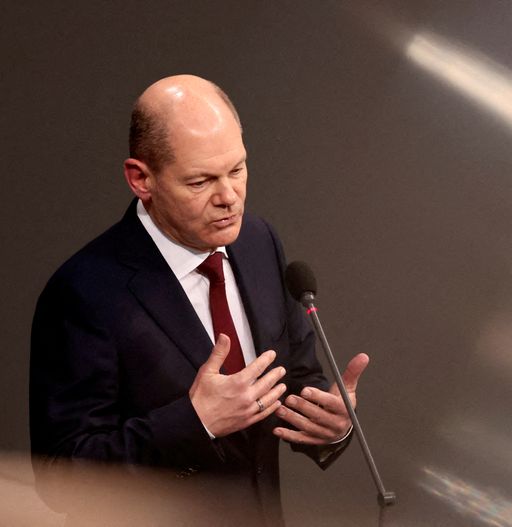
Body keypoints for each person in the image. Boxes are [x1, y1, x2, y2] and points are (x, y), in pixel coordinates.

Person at [29, 74, 369, 526]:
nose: (229, 197)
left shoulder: (258, 242)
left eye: (237, 169)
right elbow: (62, 477)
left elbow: (292, 380)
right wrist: (195, 422)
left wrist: (328, 425)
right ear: (141, 179)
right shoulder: (85, 291)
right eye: (199, 182)